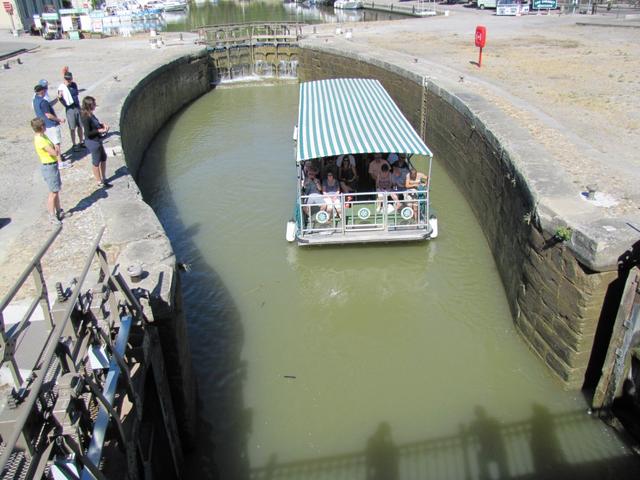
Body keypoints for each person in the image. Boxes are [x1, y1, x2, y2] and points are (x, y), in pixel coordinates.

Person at [31, 117, 64, 224]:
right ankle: (52, 215)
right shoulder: (40, 140)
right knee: (53, 192)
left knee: (56, 190)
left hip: (52, 165)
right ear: (41, 127)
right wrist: (57, 149)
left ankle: (59, 211)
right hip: (49, 166)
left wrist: (55, 149)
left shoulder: (42, 136)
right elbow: (54, 152)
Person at [33, 83, 69, 169]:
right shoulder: (43, 102)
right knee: (56, 144)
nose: (46, 91)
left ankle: (57, 160)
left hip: (44, 125)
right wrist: (59, 119)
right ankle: (60, 162)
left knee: (52, 143)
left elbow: (49, 104)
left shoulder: (35, 100)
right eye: (44, 90)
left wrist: (57, 98)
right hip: (51, 124)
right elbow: (48, 115)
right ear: (42, 91)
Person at [80, 96, 111, 188]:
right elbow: (88, 133)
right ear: (89, 105)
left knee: (103, 158)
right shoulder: (85, 117)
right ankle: (99, 181)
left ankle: (104, 178)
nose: (95, 105)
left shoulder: (90, 114)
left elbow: (95, 124)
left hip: (97, 140)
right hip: (92, 142)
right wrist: (99, 131)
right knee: (96, 161)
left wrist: (102, 125)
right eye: (93, 104)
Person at [58, 71, 84, 152]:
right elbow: (60, 99)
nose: (70, 81)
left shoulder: (74, 85)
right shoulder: (62, 88)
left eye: (71, 79)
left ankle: (81, 141)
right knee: (72, 127)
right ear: (65, 79)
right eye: (68, 79)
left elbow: (76, 94)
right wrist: (62, 99)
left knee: (80, 126)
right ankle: (74, 144)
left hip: (77, 107)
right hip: (70, 109)